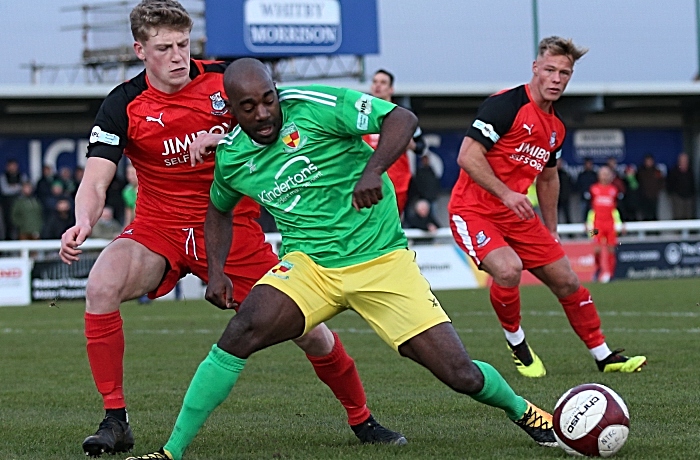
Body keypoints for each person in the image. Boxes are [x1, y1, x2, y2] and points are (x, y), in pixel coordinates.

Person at [127, 58, 557, 460]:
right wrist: (216, 272)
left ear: (277, 92)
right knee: (242, 329)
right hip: (309, 267)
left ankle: (524, 411)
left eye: (268, 100)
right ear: (232, 112)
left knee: (459, 374)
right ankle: (170, 452)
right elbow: (218, 210)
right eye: (248, 107)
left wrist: (372, 170)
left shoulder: (316, 105)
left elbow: (401, 119)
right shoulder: (233, 157)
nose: (262, 113)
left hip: (381, 260)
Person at [59, 1, 403, 457]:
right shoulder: (122, 104)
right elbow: (96, 177)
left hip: (231, 229)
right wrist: (83, 220)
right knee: (100, 284)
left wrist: (225, 139)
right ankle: (115, 419)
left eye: (183, 44)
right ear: (140, 50)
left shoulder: (227, 80)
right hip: (158, 228)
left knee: (312, 332)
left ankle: (363, 419)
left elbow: (280, 127)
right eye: (165, 48)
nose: (178, 56)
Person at [447, 36, 647, 379]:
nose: (557, 79)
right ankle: (518, 345)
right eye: (551, 70)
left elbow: (549, 179)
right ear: (535, 68)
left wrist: (551, 230)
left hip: (519, 216)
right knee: (509, 269)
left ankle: (604, 356)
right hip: (473, 210)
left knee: (567, 280)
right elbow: (467, 156)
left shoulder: (555, 129)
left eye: (565, 73)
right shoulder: (505, 105)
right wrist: (506, 193)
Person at [362, 69, 425, 216]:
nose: (378, 86)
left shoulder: (403, 116)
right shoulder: (361, 114)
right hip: (365, 181)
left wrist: (410, 144)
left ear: (391, 89)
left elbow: (421, 147)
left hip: (396, 181)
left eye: (383, 83)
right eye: (375, 82)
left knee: (390, 225)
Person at [586, 166, 624, 283]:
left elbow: (616, 209)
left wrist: (620, 223)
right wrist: (588, 223)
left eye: (607, 174)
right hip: (597, 225)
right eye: (603, 174)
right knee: (596, 248)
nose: (605, 176)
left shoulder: (614, 190)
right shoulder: (593, 189)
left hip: (610, 224)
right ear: (599, 176)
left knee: (611, 249)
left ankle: (611, 274)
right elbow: (590, 208)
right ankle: (597, 270)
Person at [0, 158, 28, 239]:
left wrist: (14, 187)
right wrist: (18, 187)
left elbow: (25, 188)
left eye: (14, 166)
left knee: (20, 225)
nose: (13, 168)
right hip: (7, 205)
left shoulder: (22, 176)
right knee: (8, 225)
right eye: (11, 166)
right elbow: (5, 190)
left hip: (21, 204)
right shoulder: (3, 177)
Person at [666, 152, 695, 219]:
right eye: (683, 161)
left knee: (689, 217)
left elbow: (692, 184)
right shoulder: (674, 171)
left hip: (689, 198)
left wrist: (692, 194)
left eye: (686, 161)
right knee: (678, 217)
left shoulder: (690, 171)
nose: (684, 162)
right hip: (678, 198)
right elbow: (669, 184)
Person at [636, 153, 664, 221]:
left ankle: (655, 231)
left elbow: (662, 182)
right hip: (644, 197)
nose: (649, 163)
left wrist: (657, 190)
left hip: (654, 197)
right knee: (645, 215)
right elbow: (637, 183)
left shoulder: (657, 171)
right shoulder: (641, 171)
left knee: (654, 214)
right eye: (647, 161)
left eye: (650, 161)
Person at [575, 157, 597, 222]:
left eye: (590, 164)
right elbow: (578, 186)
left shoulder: (594, 175)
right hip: (583, 199)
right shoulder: (581, 175)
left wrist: (592, 193)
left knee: (594, 217)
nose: (588, 165)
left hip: (594, 200)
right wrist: (584, 193)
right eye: (587, 164)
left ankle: (593, 232)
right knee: (584, 216)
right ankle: (586, 232)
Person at [556, 158, 573, 224]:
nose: (559, 164)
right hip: (555, 198)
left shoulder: (565, 174)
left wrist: (568, 194)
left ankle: (570, 233)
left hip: (565, 198)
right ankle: (556, 231)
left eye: (560, 162)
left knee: (567, 215)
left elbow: (571, 185)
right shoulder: (552, 175)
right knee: (555, 216)